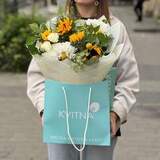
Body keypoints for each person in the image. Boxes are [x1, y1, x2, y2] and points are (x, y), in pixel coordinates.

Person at [27, 0, 139, 159]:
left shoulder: (116, 28)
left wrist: (116, 112)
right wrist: (45, 108)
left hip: (101, 120)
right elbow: (36, 75)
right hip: (61, 117)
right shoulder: (54, 27)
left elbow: (128, 78)